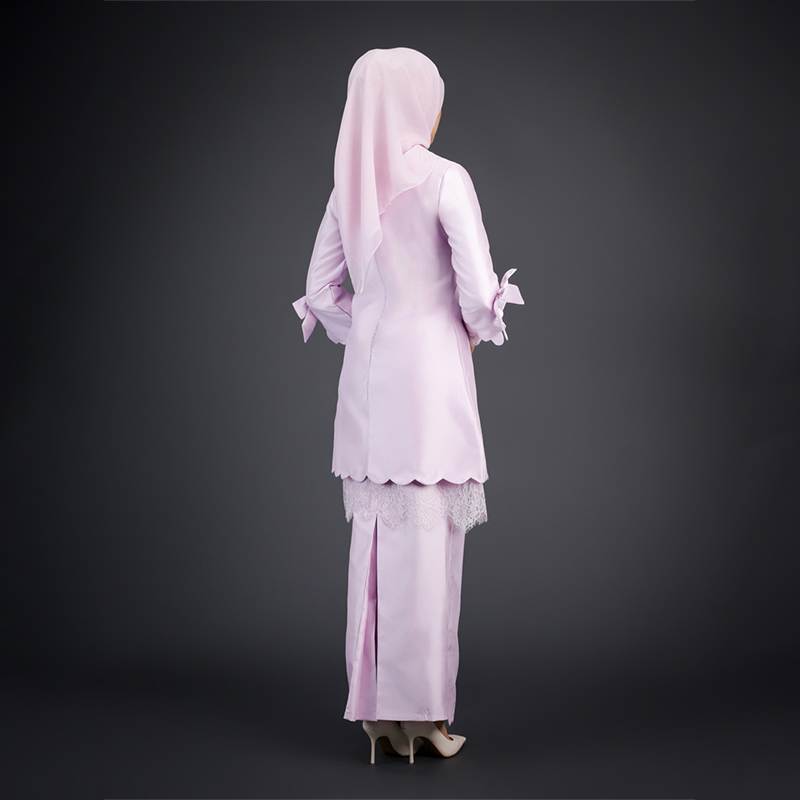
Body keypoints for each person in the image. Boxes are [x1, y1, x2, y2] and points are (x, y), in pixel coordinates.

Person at [292, 47, 523, 764]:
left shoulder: (350, 190)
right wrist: (475, 329)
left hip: (370, 386)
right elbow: (478, 292)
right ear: (418, 104)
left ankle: (376, 717)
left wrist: (367, 327)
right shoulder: (447, 178)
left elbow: (320, 291)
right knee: (427, 554)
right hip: (429, 387)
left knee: (374, 546)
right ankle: (424, 720)